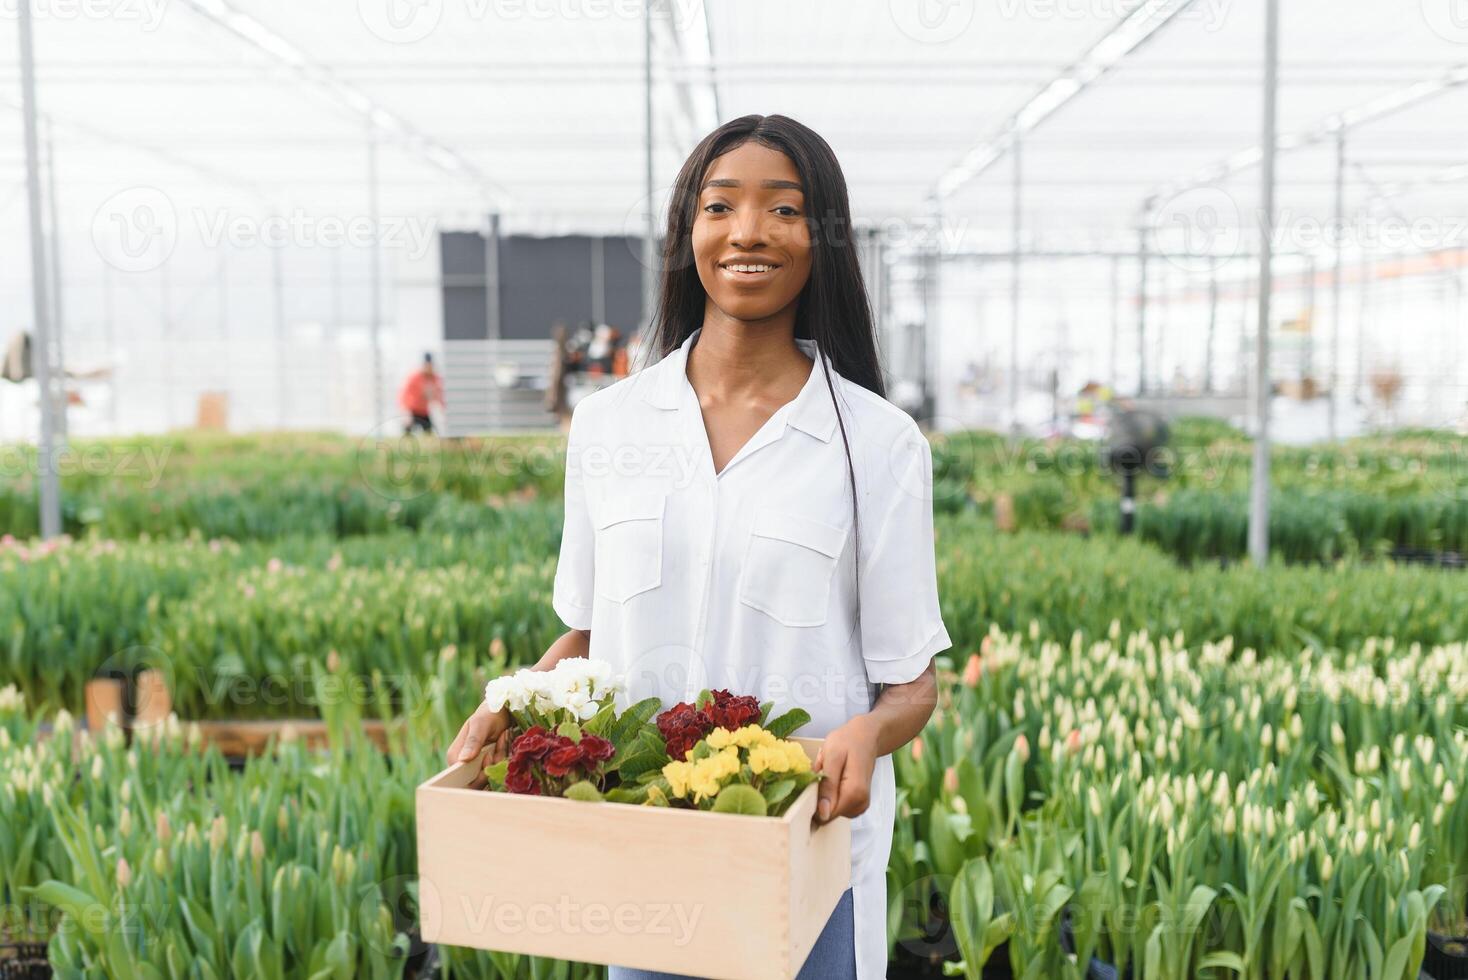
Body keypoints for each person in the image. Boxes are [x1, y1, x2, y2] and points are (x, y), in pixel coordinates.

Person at [446, 115, 952, 980]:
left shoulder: (878, 443)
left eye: (783, 210)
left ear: (821, 237)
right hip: (648, 851)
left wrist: (867, 733)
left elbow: (911, 680)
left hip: (805, 853)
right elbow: (589, 637)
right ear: (689, 231)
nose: (748, 231)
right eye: (721, 206)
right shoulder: (610, 425)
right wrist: (513, 698)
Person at [398, 353, 444, 434]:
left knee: (428, 431)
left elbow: (439, 394)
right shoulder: (415, 377)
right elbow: (404, 394)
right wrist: (406, 411)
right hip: (412, 410)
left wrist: (442, 407)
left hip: (424, 411)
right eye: (427, 365)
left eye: (430, 365)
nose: (429, 367)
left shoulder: (435, 378)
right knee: (407, 430)